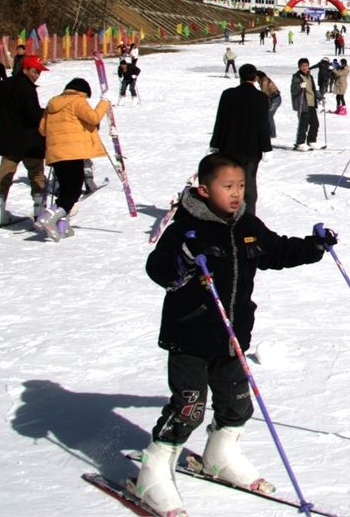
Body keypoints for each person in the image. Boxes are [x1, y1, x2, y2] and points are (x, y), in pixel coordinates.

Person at [133, 153, 338, 515]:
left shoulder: (246, 225)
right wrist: (181, 257)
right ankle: (153, 470)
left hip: (232, 337)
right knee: (189, 407)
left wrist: (314, 246)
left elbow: (276, 250)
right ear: (204, 189)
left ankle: (221, 454)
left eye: (240, 186)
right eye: (227, 186)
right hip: (191, 336)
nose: (236, 194)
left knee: (238, 403)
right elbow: (158, 268)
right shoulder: (186, 227)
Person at [36, 78, 111, 239]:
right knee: (74, 190)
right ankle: (48, 217)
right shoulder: (77, 101)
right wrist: (104, 101)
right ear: (82, 92)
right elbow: (93, 118)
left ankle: (62, 225)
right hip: (73, 152)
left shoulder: (52, 103)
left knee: (65, 190)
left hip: (55, 153)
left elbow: (42, 129)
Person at [0, 55, 49, 226]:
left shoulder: (5, 84)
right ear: (25, 69)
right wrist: (43, 113)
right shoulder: (28, 88)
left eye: (39, 72)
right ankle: (39, 211)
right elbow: (32, 116)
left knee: (4, 174)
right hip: (30, 140)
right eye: (35, 71)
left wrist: (9, 117)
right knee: (36, 174)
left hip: (9, 138)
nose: (37, 75)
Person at [209, 64, 273, 212]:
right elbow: (263, 125)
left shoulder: (228, 94)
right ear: (255, 78)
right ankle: (248, 216)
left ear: (240, 76)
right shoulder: (261, 98)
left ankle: (227, 211)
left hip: (228, 147)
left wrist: (215, 143)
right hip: (251, 149)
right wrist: (266, 148)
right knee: (248, 182)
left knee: (229, 182)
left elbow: (220, 121)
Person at [289, 58, 320, 150]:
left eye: (306, 65)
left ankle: (311, 141)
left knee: (315, 123)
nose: (304, 67)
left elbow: (312, 89)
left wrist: (319, 96)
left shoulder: (310, 76)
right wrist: (299, 86)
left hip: (311, 103)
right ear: (299, 67)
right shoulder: (297, 77)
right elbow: (293, 90)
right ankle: (300, 143)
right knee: (303, 124)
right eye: (302, 66)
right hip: (303, 103)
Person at [256, 69, 283, 137]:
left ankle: (272, 134)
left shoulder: (264, 80)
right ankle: (270, 132)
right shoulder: (263, 80)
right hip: (274, 99)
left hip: (275, 99)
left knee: (269, 116)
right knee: (268, 116)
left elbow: (264, 92)